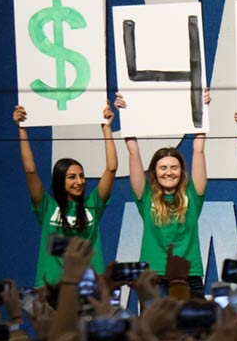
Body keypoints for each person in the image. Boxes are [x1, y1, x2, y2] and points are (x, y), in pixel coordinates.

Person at [14, 100, 116, 286]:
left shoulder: (92, 205)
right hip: (51, 290)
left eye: (81, 176)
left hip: (89, 290)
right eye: (72, 177)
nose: (79, 181)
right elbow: (30, 170)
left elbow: (111, 168)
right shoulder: (47, 207)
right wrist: (22, 129)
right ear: (60, 180)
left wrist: (106, 128)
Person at [114, 89, 212, 276]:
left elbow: (198, 150)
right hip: (153, 276)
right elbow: (133, 151)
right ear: (154, 172)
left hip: (188, 275)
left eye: (174, 167)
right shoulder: (146, 195)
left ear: (182, 171)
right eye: (163, 168)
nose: (169, 172)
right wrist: (124, 114)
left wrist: (203, 109)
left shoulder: (193, 193)